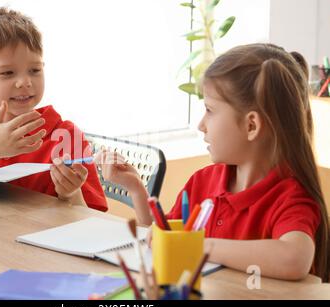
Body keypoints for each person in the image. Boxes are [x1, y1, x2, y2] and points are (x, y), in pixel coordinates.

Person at [96, 43, 330, 281]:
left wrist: (200, 247)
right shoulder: (202, 181)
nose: (201, 124)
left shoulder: (291, 196)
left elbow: (294, 258)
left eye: (209, 109)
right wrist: (137, 190)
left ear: (251, 126)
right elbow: (165, 240)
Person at [0, 7, 107, 212]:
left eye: (35, 70)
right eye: (7, 73)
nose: (25, 82)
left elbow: (92, 217)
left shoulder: (65, 135)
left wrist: (71, 193)